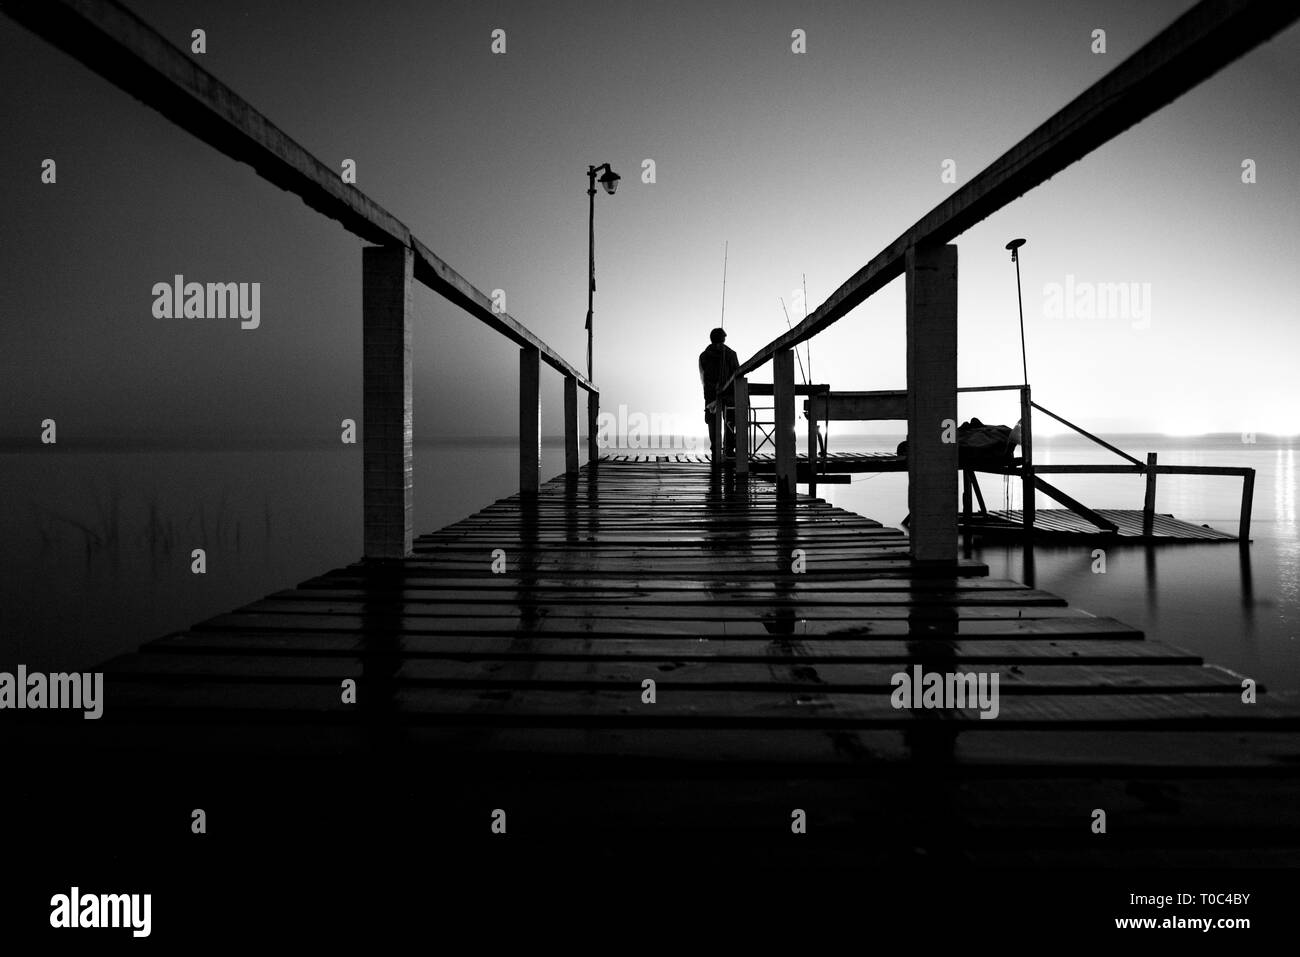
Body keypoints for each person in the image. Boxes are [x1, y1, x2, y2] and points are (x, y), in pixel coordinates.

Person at [698, 327, 739, 460]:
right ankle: (728, 449)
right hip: (729, 394)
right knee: (730, 421)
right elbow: (737, 373)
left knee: (713, 422)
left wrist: (713, 387)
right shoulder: (731, 354)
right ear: (723, 339)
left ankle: (716, 449)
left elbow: (703, 378)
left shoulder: (704, 356)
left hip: (711, 394)